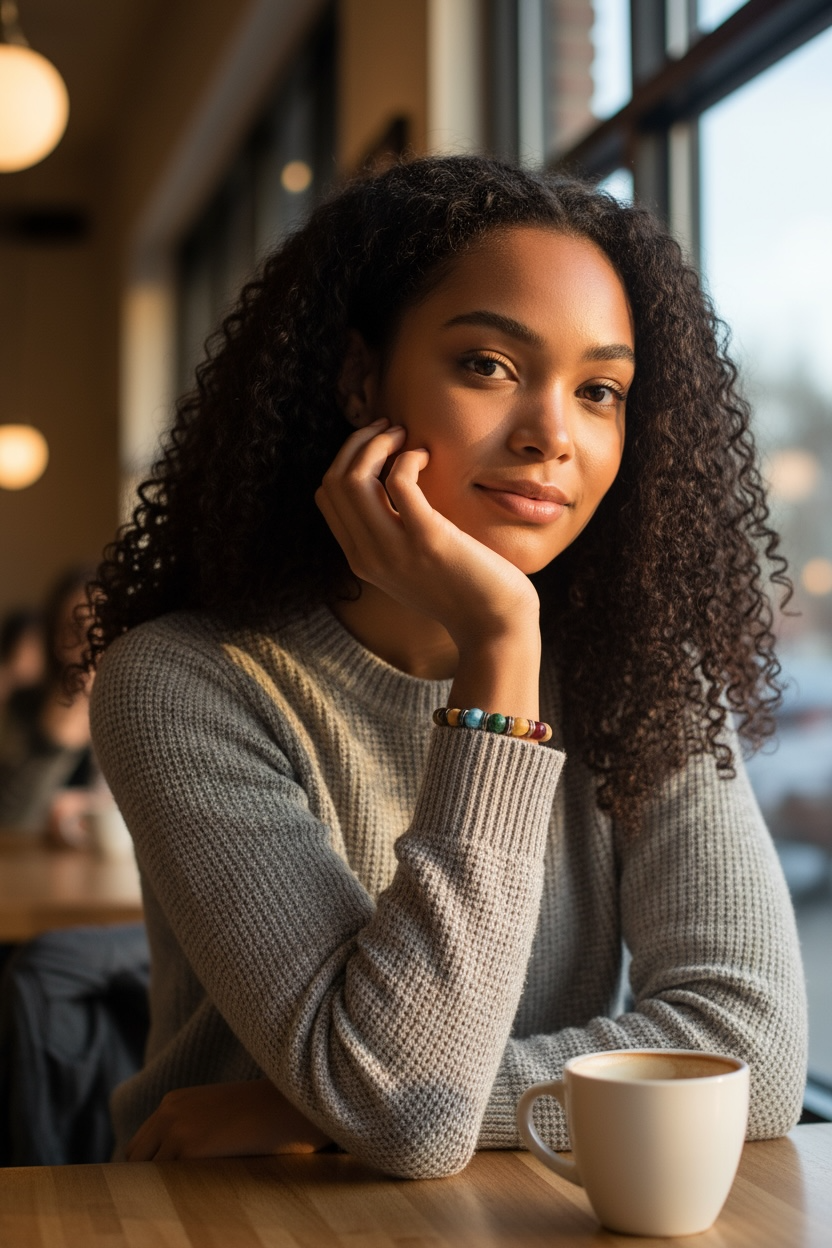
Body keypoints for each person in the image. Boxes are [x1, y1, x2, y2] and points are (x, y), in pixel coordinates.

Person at [86, 156, 807, 1177]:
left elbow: (756, 1054)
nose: (551, 434)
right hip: (228, 1215)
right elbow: (400, 1108)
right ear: (359, 378)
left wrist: (330, 1107)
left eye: (599, 390)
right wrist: (501, 643)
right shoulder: (184, 682)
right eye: (488, 366)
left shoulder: (645, 674)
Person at [0, 568, 99, 839]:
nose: (90, 643)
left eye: (100, 625)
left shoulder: (139, 708)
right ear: (56, 639)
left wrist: (86, 805)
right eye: (75, 627)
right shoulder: (26, 705)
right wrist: (54, 741)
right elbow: (12, 821)